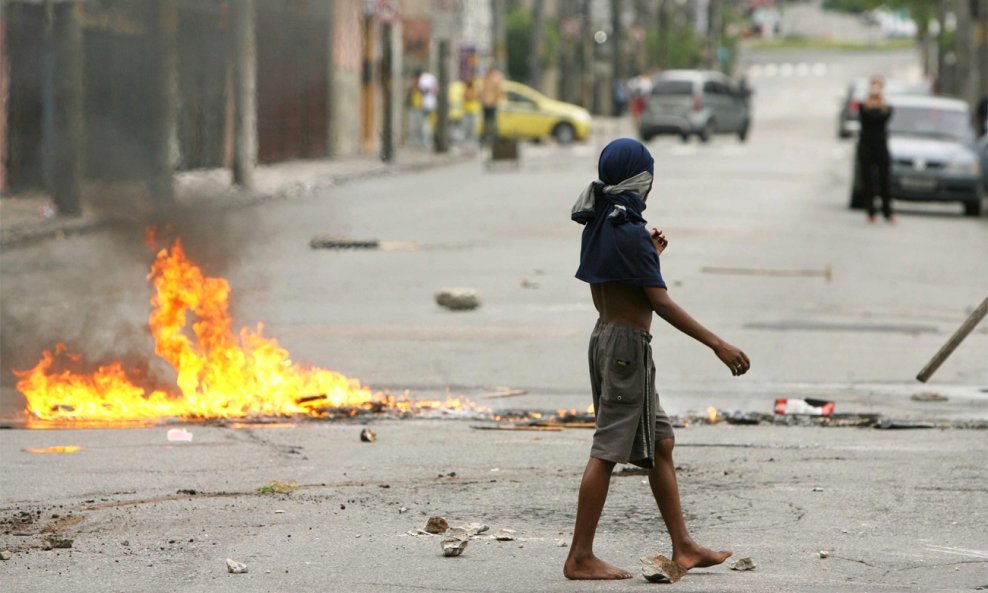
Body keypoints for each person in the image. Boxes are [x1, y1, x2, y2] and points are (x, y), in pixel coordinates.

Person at [565, 138, 750, 581]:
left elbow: (606, 289)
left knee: (661, 443)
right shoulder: (630, 232)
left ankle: (683, 546)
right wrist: (717, 344)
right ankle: (579, 556)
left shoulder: (598, 222)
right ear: (641, 181)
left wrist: (650, 258)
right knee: (608, 451)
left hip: (607, 340)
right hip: (627, 351)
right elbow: (659, 303)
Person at [857, 76, 895, 223]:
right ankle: (870, 211)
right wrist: (870, 101)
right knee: (868, 180)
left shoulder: (887, 108)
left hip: (881, 147)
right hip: (866, 146)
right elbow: (866, 117)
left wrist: (880, 101)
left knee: (884, 180)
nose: (875, 91)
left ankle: (887, 211)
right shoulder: (863, 106)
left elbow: (881, 118)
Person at [480, 64, 504, 145]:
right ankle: (487, 138)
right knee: (487, 122)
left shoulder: (495, 77)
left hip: (492, 103)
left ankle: (493, 138)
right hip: (486, 103)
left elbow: (499, 90)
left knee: (492, 121)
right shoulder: (486, 77)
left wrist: (495, 99)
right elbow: (482, 90)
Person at [405, 71, 425, 148]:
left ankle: (419, 142)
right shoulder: (412, 85)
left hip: (419, 108)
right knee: (412, 126)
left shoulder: (421, 86)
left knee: (419, 126)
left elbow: (424, 93)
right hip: (412, 108)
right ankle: (411, 142)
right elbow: (409, 93)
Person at [461, 78, 481, 149]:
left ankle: (472, 142)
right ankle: (466, 143)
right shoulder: (466, 90)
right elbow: (466, 97)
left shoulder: (474, 90)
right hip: (467, 112)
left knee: (472, 129)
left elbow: (476, 97)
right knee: (466, 128)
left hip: (473, 112)